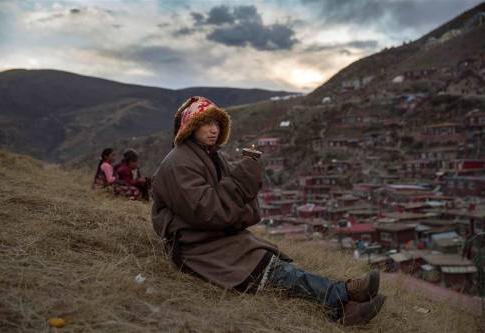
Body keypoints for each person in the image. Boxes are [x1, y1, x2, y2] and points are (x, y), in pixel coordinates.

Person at [151, 96, 385, 326]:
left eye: (217, 124)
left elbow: (236, 206)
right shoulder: (179, 163)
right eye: (206, 123)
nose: (213, 130)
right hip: (196, 246)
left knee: (280, 267)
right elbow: (209, 211)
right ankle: (343, 299)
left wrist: (243, 188)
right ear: (191, 127)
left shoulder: (212, 157)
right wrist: (243, 178)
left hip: (216, 237)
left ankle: (346, 300)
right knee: (275, 273)